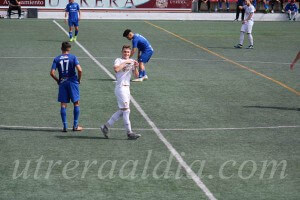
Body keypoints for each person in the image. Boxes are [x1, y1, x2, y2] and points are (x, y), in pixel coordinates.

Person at [100, 45, 141, 140]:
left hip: (127, 88)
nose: (126, 53)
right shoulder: (118, 60)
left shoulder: (132, 61)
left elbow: (136, 76)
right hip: (120, 87)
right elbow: (116, 69)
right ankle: (129, 133)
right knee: (126, 110)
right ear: (122, 52)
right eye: (125, 52)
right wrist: (126, 61)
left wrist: (135, 67)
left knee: (123, 111)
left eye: (128, 52)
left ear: (130, 53)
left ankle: (105, 127)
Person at [50, 42, 83, 132]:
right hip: (72, 82)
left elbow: (52, 73)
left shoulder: (57, 59)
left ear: (61, 48)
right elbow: (80, 70)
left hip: (63, 82)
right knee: (76, 103)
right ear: (69, 48)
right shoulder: (73, 57)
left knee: (63, 104)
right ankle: (75, 126)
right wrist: (79, 79)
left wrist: (58, 81)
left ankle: (65, 126)